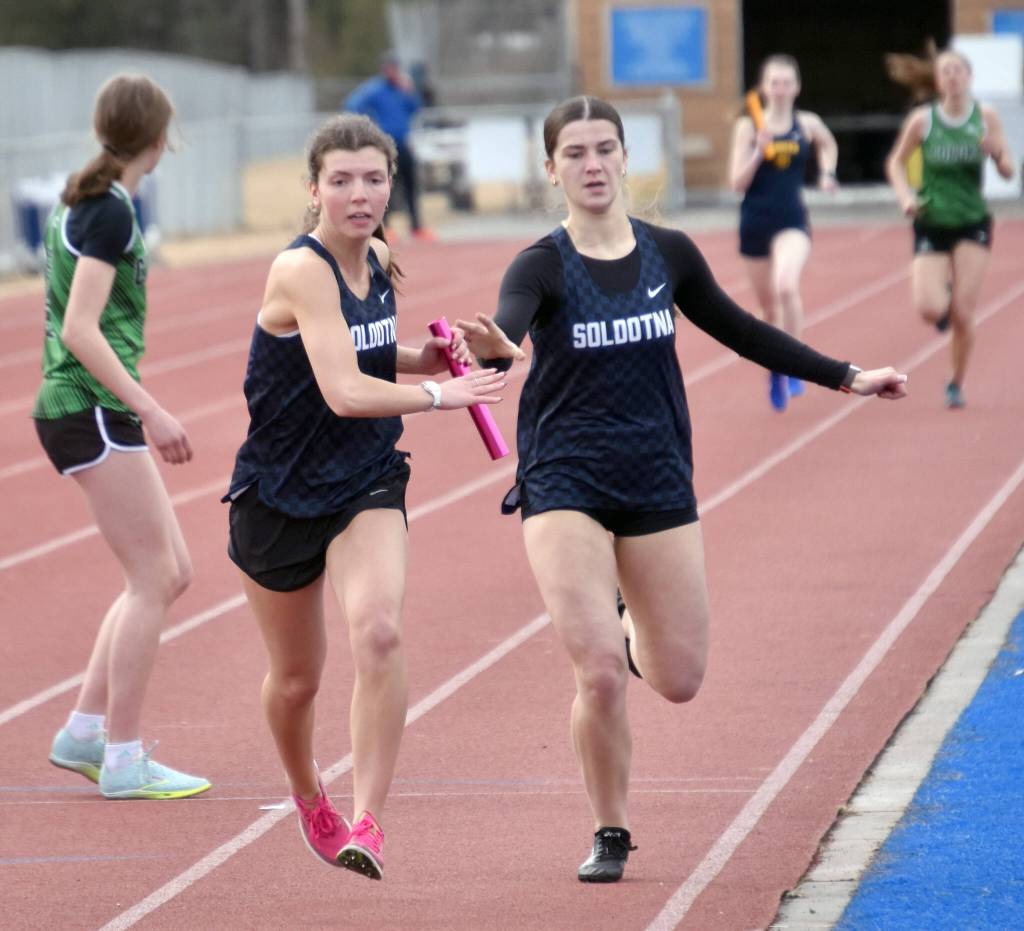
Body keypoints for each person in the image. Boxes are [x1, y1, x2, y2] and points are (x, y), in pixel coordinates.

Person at [456, 95, 907, 884]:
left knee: (680, 677)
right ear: (551, 168)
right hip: (564, 479)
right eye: (575, 154)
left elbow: (741, 329)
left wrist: (846, 376)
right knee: (595, 668)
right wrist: (496, 350)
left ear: (627, 158)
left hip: (657, 475)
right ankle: (610, 828)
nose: (592, 166)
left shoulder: (669, 254)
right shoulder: (540, 264)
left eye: (605, 150)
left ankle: (631, 628)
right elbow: (507, 333)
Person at [223, 114, 504, 879]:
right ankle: (309, 791)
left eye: (374, 178)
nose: (359, 194)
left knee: (378, 631)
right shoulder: (300, 270)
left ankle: (370, 819)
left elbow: (371, 352)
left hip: (364, 479)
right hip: (279, 491)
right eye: (341, 180)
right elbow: (345, 389)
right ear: (312, 189)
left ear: (391, 184)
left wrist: (433, 353)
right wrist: (444, 393)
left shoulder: (378, 255)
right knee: (297, 679)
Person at [34, 74, 210, 800]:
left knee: (171, 570)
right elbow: (79, 328)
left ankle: (84, 731)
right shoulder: (106, 211)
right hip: (91, 406)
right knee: (155, 578)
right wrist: (152, 408)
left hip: (88, 406)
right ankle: (124, 756)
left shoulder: (98, 201)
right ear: (160, 138)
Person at [885, 47, 1014, 409]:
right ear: (938, 81)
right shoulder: (923, 121)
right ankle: (945, 312)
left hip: (972, 221)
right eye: (946, 72)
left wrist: (995, 154)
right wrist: (905, 198)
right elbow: (895, 163)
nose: (953, 77)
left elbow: (1008, 171)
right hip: (931, 220)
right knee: (929, 307)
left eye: (958, 70)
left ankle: (956, 382)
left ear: (969, 77)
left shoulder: (985, 117)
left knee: (963, 312)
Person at [728, 54, 840, 411]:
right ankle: (775, 369)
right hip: (755, 223)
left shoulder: (806, 123)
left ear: (797, 87)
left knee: (786, 285)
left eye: (786, 82)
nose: (779, 89)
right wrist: (758, 153)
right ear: (763, 87)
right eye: (773, 82)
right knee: (768, 310)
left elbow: (828, 144)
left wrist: (827, 172)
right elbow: (736, 183)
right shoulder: (749, 127)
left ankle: (795, 365)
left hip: (792, 220)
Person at [345, 51, 433, 241]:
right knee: (386, 189)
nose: (393, 71)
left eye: (395, 67)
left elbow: (416, 108)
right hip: (385, 147)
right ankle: (386, 227)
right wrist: (371, 126)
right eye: (389, 68)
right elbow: (352, 104)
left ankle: (416, 227)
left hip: (404, 143)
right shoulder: (375, 89)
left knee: (411, 186)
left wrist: (410, 92)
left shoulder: (403, 89)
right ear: (384, 69)